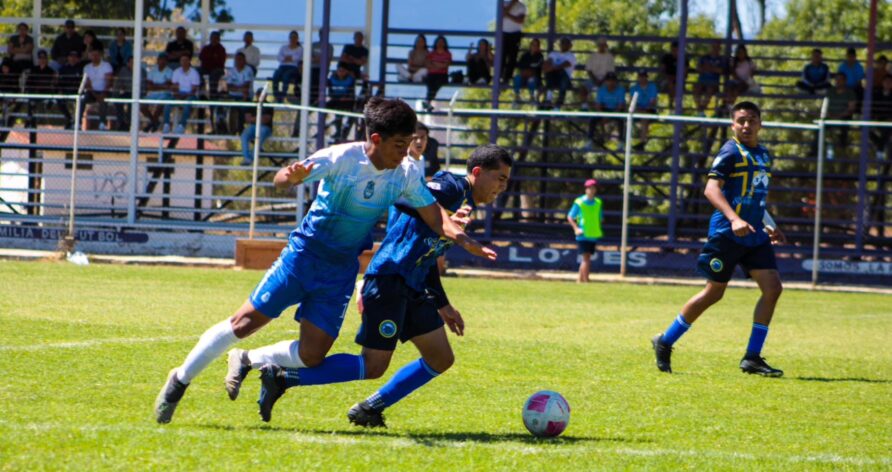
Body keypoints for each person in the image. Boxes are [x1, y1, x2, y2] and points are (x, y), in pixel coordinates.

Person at [154, 97, 496, 424]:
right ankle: (180, 380)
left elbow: (434, 217)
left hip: (340, 271)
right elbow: (281, 178)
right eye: (399, 144)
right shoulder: (341, 159)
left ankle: (248, 361)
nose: (405, 152)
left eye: (409, 144)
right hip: (303, 258)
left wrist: (465, 241)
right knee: (245, 323)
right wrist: (292, 176)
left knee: (312, 355)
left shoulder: (405, 173)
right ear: (376, 138)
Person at [237, 146, 512, 425]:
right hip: (389, 281)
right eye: (499, 178)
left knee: (441, 358)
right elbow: (407, 200)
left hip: (413, 287)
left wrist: (443, 305)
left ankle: (369, 408)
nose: (503, 187)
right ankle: (283, 377)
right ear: (477, 172)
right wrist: (451, 226)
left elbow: (427, 256)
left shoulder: (464, 202)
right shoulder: (451, 186)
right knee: (373, 365)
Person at [651, 101, 787, 377]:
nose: (746, 125)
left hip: (754, 235)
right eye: (741, 120)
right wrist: (734, 219)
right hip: (727, 233)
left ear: (760, 123)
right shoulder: (729, 152)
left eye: (751, 120)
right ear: (732, 125)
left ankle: (752, 357)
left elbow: (754, 198)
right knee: (714, 293)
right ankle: (665, 340)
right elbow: (711, 189)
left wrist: (770, 224)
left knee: (772, 288)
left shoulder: (763, 155)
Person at [567, 179, 603, 283]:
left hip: (593, 233)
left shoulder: (598, 202)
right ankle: (586, 279)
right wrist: (576, 228)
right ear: (586, 189)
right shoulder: (579, 202)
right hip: (582, 233)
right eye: (589, 188)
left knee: (587, 258)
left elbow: (600, 218)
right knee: (586, 257)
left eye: (593, 188)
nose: (592, 190)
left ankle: (580, 279)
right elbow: (570, 216)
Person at [162, 54, 200, 134]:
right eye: (182, 60)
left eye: (186, 60)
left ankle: (181, 126)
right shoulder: (176, 72)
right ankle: (166, 125)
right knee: (167, 102)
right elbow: (174, 87)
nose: (184, 62)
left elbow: (194, 90)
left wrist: (184, 96)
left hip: (190, 95)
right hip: (178, 94)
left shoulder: (194, 73)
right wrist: (177, 94)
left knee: (187, 104)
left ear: (189, 61)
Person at [79, 47, 113, 130]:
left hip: (104, 91)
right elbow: (87, 84)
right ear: (90, 56)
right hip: (91, 92)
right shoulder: (87, 68)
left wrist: (103, 93)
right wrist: (95, 94)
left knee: (103, 100)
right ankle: (78, 123)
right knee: (82, 100)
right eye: (93, 55)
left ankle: (102, 123)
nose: (95, 57)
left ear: (100, 55)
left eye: (97, 55)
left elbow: (108, 82)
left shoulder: (106, 66)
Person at [826, 72, 857, 159]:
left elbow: (851, 108)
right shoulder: (830, 91)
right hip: (830, 117)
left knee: (844, 130)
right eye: (836, 80)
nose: (838, 81)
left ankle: (842, 152)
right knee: (821, 130)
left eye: (840, 80)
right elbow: (825, 106)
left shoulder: (850, 92)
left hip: (844, 117)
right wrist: (830, 115)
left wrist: (839, 116)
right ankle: (828, 148)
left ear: (845, 81)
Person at [590, 72, 626, 146]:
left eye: (613, 80)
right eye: (609, 80)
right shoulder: (601, 90)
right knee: (593, 119)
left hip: (617, 110)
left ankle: (621, 142)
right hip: (605, 110)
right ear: (605, 82)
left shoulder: (621, 90)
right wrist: (603, 115)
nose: (611, 82)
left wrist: (610, 116)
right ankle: (590, 140)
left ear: (616, 82)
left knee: (621, 120)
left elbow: (620, 106)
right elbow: (598, 105)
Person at [223, 51, 255, 133]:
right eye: (237, 60)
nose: (238, 61)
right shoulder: (231, 71)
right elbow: (228, 86)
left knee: (242, 107)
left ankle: (240, 130)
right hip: (233, 96)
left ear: (244, 60)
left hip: (246, 96)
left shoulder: (248, 70)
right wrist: (239, 88)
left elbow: (246, 86)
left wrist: (236, 87)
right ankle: (229, 129)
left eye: (240, 59)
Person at [141, 52, 173, 132]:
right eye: (161, 59)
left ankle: (152, 124)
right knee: (142, 105)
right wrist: (162, 86)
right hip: (153, 94)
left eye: (164, 60)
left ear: (167, 61)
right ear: (158, 60)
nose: (162, 61)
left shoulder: (170, 71)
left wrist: (155, 86)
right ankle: (154, 122)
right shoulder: (153, 70)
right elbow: (149, 86)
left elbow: (168, 87)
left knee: (160, 105)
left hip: (165, 94)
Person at [25, 50, 58, 126]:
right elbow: (29, 82)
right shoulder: (34, 69)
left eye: (44, 58)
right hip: (34, 92)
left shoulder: (50, 71)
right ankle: (30, 118)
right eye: (40, 58)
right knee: (31, 98)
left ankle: (32, 118)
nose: (42, 60)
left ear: (46, 59)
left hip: (45, 92)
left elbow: (52, 84)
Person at [693, 41, 725, 116]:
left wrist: (710, 68)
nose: (715, 48)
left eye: (717, 47)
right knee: (696, 88)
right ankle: (700, 110)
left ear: (720, 48)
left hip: (713, 83)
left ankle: (701, 110)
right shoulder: (704, 57)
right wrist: (711, 68)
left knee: (709, 89)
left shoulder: (721, 59)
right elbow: (698, 68)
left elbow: (721, 70)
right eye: (714, 46)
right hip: (702, 81)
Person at [111, 56, 144, 131]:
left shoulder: (141, 71)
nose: (133, 64)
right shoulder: (123, 70)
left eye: (135, 62)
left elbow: (143, 86)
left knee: (131, 104)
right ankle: (121, 123)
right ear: (128, 63)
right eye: (131, 62)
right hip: (127, 92)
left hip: (137, 94)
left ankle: (128, 124)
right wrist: (115, 94)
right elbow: (119, 82)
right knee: (118, 101)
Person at [581, 37, 615, 107]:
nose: (602, 46)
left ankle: (605, 106)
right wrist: (595, 80)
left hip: (606, 79)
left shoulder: (610, 57)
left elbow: (610, 72)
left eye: (603, 45)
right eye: (600, 45)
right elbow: (589, 70)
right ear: (598, 46)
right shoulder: (592, 56)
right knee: (583, 87)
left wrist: (602, 80)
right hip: (593, 78)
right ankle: (584, 105)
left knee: (610, 86)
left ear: (606, 46)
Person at [543, 37, 576, 108]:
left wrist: (553, 67)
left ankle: (559, 102)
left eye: (566, 43)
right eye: (562, 43)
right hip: (553, 76)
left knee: (561, 72)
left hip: (564, 79)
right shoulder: (553, 54)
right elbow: (547, 64)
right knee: (549, 73)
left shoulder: (571, 56)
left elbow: (565, 65)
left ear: (570, 46)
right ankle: (549, 98)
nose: (564, 45)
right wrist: (551, 67)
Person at [327, 63, 357, 141]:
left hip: (346, 101)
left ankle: (343, 129)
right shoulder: (332, 79)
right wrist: (337, 98)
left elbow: (351, 93)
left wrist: (345, 97)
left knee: (350, 109)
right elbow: (330, 93)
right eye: (339, 70)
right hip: (336, 100)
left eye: (343, 71)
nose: (341, 72)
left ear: (347, 72)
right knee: (328, 107)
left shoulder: (350, 80)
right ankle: (336, 129)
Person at [240, 97, 273, 166]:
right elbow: (248, 119)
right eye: (259, 94)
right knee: (244, 135)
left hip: (265, 127)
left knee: (261, 133)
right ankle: (247, 158)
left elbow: (266, 119)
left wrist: (254, 119)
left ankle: (253, 157)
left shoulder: (268, 106)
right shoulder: (253, 105)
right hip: (254, 127)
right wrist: (259, 118)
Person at [629, 70, 658, 147]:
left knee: (644, 117)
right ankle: (642, 140)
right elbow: (632, 102)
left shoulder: (652, 87)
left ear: (646, 77)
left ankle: (642, 141)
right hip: (638, 110)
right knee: (642, 117)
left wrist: (645, 109)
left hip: (650, 110)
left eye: (643, 76)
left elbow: (653, 102)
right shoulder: (633, 88)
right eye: (640, 77)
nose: (642, 78)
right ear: (638, 78)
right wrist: (639, 109)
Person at [500, 0, 526, 85]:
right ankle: (499, 77)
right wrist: (511, 5)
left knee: (512, 57)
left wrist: (507, 14)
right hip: (503, 33)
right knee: (501, 56)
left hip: (515, 34)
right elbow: (501, 14)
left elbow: (520, 20)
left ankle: (507, 79)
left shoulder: (522, 6)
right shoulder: (503, 3)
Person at [423, 36, 452, 111]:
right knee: (431, 83)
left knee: (436, 83)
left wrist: (435, 64)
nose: (440, 44)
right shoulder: (431, 53)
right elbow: (428, 64)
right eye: (439, 42)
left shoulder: (447, 54)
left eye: (442, 42)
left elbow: (445, 65)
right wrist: (439, 64)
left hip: (442, 75)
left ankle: (428, 101)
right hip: (432, 75)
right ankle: (428, 102)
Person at [272, 31, 302, 102]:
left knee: (286, 76)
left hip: (293, 67)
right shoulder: (283, 47)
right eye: (291, 37)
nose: (293, 39)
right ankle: (276, 95)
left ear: (297, 39)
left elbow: (297, 58)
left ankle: (283, 95)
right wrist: (289, 58)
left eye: (294, 37)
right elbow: (279, 57)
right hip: (282, 67)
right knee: (276, 75)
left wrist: (286, 58)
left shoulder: (300, 49)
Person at [57, 50, 84, 128]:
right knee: (59, 101)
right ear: (68, 58)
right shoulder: (63, 69)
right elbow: (60, 82)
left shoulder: (80, 69)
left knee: (80, 101)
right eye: (71, 57)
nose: (73, 59)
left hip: (77, 91)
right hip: (65, 91)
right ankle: (69, 118)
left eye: (75, 57)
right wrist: (61, 91)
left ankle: (77, 121)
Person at [512, 38, 543, 103]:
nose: (534, 46)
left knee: (531, 80)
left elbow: (536, 67)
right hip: (524, 76)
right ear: (530, 45)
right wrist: (527, 69)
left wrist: (528, 68)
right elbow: (520, 66)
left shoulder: (540, 56)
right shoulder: (525, 55)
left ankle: (532, 97)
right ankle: (517, 97)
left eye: (536, 45)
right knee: (517, 78)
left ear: (538, 47)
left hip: (535, 78)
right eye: (532, 44)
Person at [199, 31, 227, 99]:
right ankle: (201, 93)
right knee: (197, 71)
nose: (214, 39)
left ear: (219, 39)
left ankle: (212, 95)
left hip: (217, 69)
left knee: (214, 74)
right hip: (206, 68)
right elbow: (201, 57)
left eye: (216, 38)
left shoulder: (221, 49)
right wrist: (212, 58)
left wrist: (209, 59)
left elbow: (220, 62)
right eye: (212, 38)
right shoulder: (206, 48)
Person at [870, 75, 892, 160]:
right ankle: (880, 146)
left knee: (888, 129)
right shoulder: (876, 94)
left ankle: (879, 148)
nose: (887, 83)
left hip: (889, 121)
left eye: (890, 82)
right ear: (882, 83)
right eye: (886, 81)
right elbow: (872, 108)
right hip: (877, 120)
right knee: (865, 128)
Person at [659, 41, 687, 105]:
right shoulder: (666, 58)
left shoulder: (684, 58)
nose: (674, 51)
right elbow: (662, 70)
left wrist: (677, 78)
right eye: (673, 49)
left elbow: (685, 73)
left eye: (676, 49)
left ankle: (675, 104)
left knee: (677, 85)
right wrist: (668, 77)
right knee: (670, 83)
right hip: (666, 80)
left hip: (679, 81)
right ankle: (672, 104)